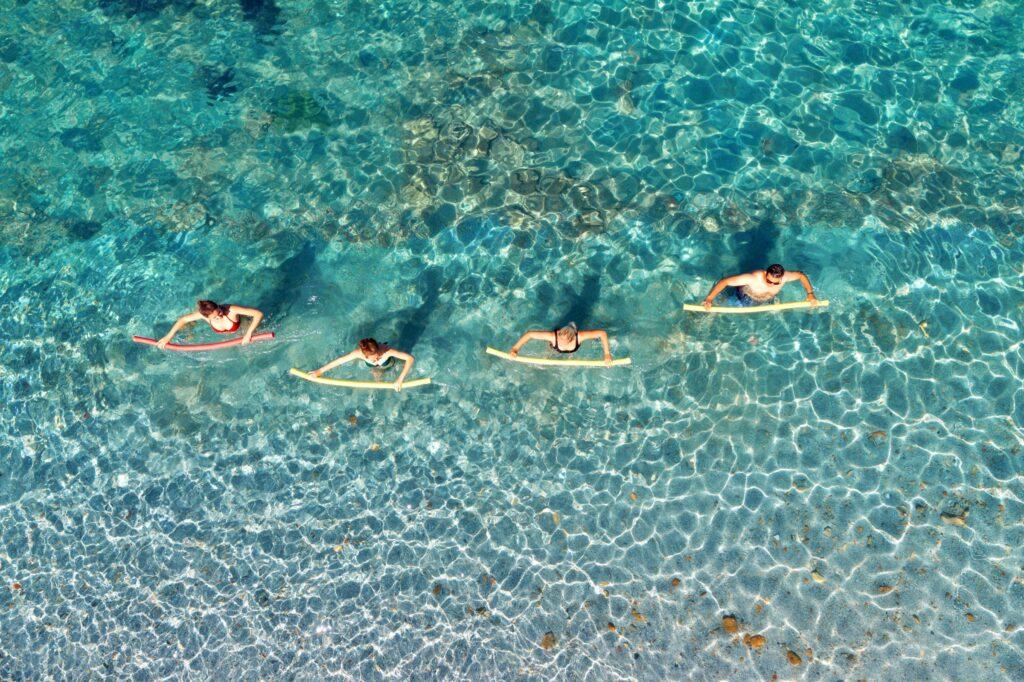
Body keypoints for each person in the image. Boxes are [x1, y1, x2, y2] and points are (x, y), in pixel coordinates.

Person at [309, 338, 414, 391]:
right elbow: (340, 360)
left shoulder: (387, 351)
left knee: (399, 366)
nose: (376, 360)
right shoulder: (358, 353)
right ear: (364, 355)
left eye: (378, 357)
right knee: (377, 379)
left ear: (379, 350)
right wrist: (319, 371)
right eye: (373, 359)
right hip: (374, 368)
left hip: (388, 363)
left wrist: (400, 379)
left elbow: (410, 358)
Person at [157, 300, 264, 349]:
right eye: (215, 317)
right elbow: (183, 319)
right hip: (227, 335)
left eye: (219, 312)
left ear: (218, 306)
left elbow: (258, 314)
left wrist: (248, 333)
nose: (220, 315)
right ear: (207, 317)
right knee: (186, 324)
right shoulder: (204, 316)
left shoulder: (231, 310)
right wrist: (168, 337)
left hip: (243, 326)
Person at [702, 264, 818, 309]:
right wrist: (710, 298)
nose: (771, 284)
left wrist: (810, 294)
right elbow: (725, 281)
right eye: (769, 281)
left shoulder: (785, 277)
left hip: (767, 300)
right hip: (743, 299)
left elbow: (801, 276)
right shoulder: (753, 278)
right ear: (765, 273)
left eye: (775, 283)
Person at [508, 322, 615, 365]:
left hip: (572, 349)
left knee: (571, 357)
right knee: (548, 354)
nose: (560, 341)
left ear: (572, 339)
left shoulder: (579, 337)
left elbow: (602, 333)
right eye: (560, 337)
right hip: (554, 348)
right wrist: (515, 349)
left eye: (563, 340)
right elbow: (530, 334)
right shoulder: (553, 337)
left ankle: (570, 353)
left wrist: (606, 354)